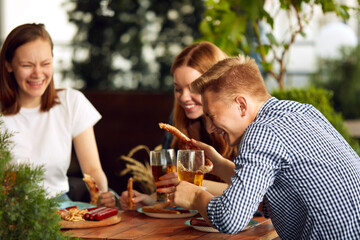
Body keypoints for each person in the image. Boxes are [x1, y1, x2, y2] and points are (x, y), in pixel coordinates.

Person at [156, 55, 360, 239]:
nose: (209, 128)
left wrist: (195, 196)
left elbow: (230, 219)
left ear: (241, 105)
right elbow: (276, 199)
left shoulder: (261, 132)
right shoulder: (302, 112)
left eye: (211, 115)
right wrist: (218, 165)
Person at [0, 23, 116, 207]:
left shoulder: (71, 102)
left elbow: (92, 169)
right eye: (27, 65)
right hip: (12, 209)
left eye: (45, 64)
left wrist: (101, 194)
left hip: (60, 205)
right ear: (8, 65)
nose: (38, 74)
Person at [119, 42, 238, 210]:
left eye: (193, 88)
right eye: (178, 89)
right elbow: (172, 187)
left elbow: (253, 195)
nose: (184, 98)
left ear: (217, 85)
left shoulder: (243, 125)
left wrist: (193, 184)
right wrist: (150, 199)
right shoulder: (178, 121)